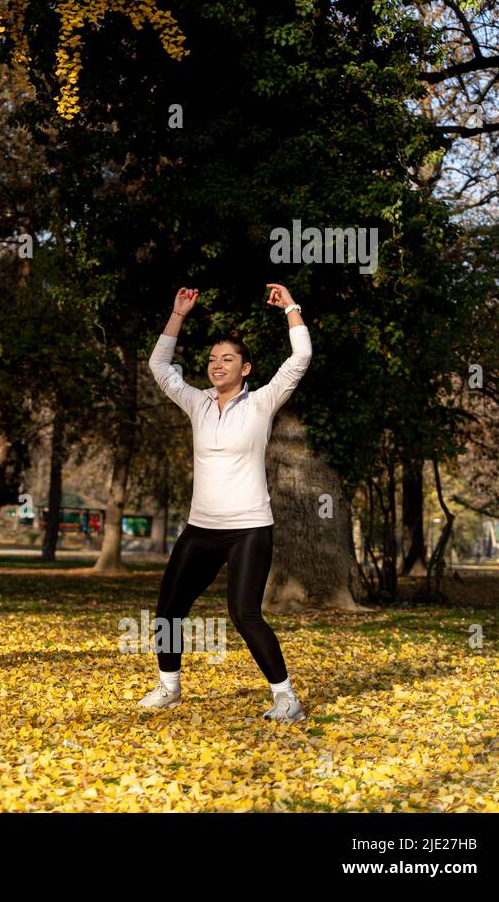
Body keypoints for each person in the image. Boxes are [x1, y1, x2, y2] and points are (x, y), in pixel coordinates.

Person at [140, 283, 311, 721]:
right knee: (169, 609)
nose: (217, 366)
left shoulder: (262, 403)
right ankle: (169, 687)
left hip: (249, 528)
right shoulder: (196, 402)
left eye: (227, 359)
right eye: (213, 359)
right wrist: (178, 314)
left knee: (244, 613)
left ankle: (286, 697)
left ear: (246, 368)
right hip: (201, 529)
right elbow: (160, 366)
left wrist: (290, 307)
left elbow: (300, 359)